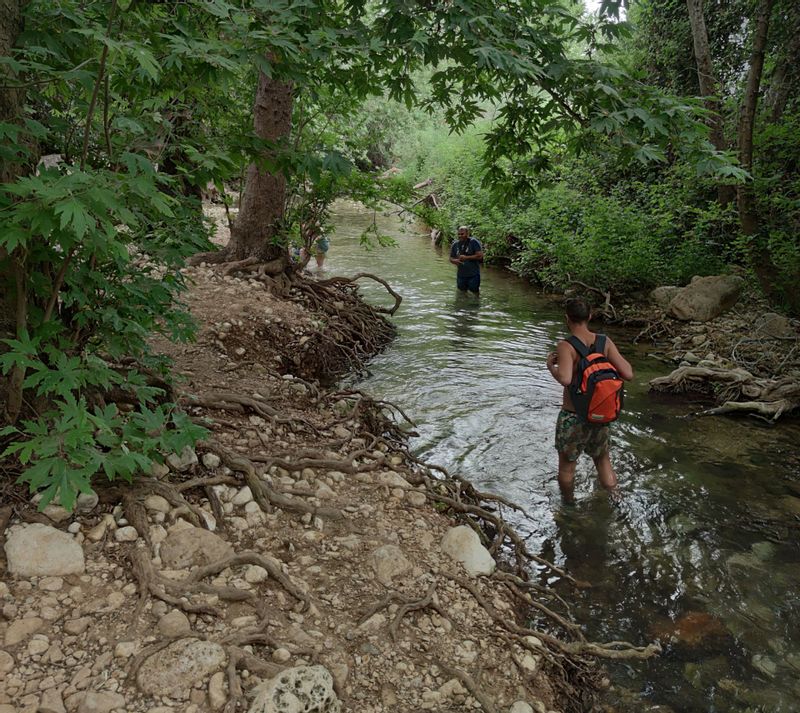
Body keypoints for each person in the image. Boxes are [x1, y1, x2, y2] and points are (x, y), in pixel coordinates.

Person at [546, 297, 634, 504]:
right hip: (600, 415)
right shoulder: (604, 341)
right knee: (603, 460)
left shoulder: (566, 346)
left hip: (573, 417)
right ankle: (616, 498)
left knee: (567, 467)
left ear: (567, 318)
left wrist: (551, 367)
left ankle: (569, 506)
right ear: (590, 316)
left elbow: (566, 379)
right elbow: (628, 373)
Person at [449, 225, 484, 294]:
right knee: (461, 293)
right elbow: (451, 258)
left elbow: (480, 256)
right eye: (458, 234)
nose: (460, 236)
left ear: (467, 234)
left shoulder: (474, 242)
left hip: (473, 275)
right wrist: (454, 261)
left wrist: (466, 257)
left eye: (462, 234)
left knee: (475, 293)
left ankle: (475, 304)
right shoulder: (455, 244)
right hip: (461, 275)